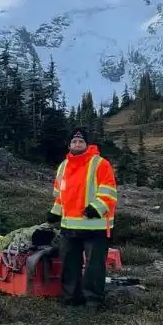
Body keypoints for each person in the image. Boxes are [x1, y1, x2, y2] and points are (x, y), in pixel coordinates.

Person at [46, 126, 118, 312]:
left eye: (81, 141)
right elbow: (60, 196)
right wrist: (55, 212)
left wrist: (96, 208)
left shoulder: (100, 163)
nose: (77, 144)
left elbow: (109, 192)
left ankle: (93, 301)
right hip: (69, 225)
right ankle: (71, 298)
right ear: (69, 144)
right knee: (69, 264)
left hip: (95, 226)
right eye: (74, 141)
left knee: (94, 266)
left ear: (87, 144)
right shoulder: (63, 166)